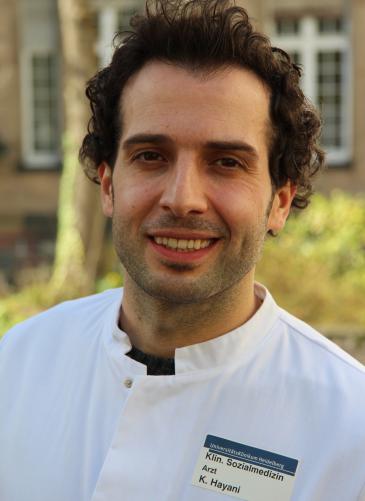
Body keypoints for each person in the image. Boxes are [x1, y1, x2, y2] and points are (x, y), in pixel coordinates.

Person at [1, 1, 365, 500]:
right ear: (107, 185)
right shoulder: (19, 366)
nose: (183, 199)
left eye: (227, 163)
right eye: (151, 156)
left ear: (279, 201)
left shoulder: (349, 426)